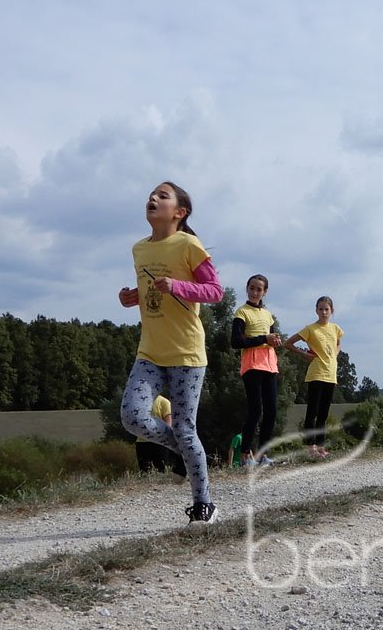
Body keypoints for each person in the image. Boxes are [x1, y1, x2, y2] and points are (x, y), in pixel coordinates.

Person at [119, 181, 224, 524]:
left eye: (162, 196)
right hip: (149, 351)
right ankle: (187, 450)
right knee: (132, 416)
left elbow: (215, 292)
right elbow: (152, 290)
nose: (152, 198)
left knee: (184, 426)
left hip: (186, 355)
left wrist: (178, 286)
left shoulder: (189, 245)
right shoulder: (139, 249)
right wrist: (133, 296)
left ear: (180, 212)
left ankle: (203, 504)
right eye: (151, 194)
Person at [232, 274, 284, 467]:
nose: (255, 292)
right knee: (255, 411)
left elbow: (270, 338)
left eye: (259, 289)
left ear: (265, 292)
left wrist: (274, 341)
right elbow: (236, 341)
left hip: (269, 364)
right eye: (252, 288)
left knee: (271, 411)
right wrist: (264, 339)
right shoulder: (241, 313)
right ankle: (245, 455)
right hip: (252, 365)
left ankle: (263, 455)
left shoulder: (268, 315)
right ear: (247, 288)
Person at [284, 295, 344, 459]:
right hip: (316, 374)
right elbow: (288, 343)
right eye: (320, 309)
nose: (324, 312)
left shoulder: (336, 328)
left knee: (324, 414)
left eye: (327, 309)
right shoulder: (310, 329)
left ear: (332, 310)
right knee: (313, 412)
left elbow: (338, 343)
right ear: (316, 310)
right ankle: (311, 446)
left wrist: (336, 353)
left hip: (331, 375)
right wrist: (304, 354)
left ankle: (321, 446)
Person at [135, 393, 172, 473]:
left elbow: (169, 424)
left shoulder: (164, 402)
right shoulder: (140, 402)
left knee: (162, 470)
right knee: (144, 472)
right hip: (142, 442)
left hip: (159, 442)